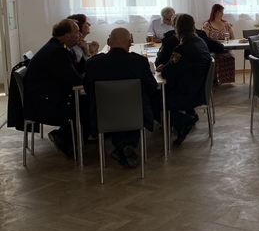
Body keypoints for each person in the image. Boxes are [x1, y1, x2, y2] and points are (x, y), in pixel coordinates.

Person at [83, 28, 158, 168]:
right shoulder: (139, 62)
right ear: (130, 43)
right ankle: (125, 146)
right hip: (135, 114)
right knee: (139, 104)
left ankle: (121, 147)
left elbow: (88, 90)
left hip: (103, 115)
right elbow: (152, 87)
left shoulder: (93, 63)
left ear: (108, 42)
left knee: (115, 109)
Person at [23, 19, 83, 158]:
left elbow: (75, 72)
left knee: (86, 101)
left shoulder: (57, 47)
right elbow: (75, 80)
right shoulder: (57, 52)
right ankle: (64, 137)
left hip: (45, 97)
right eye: (77, 32)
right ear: (67, 36)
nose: (79, 35)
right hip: (44, 104)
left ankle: (74, 137)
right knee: (87, 105)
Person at [157, 14, 211, 146]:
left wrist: (164, 68)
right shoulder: (200, 42)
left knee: (150, 100)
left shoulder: (182, 48)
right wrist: (169, 67)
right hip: (199, 90)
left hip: (185, 95)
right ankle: (181, 120)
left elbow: (167, 73)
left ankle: (181, 120)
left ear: (177, 28)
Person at [156, 14, 225, 67]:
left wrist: (164, 68)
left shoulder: (173, 43)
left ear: (175, 26)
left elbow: (159, 64)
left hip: (182, 77)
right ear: (193, 24)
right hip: (200, 77)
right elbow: (220, 47)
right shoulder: (201, 39)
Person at [202, 3, 236, 84]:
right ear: (215, 12)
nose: (222, 13)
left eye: (222, 11)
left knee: (230, 56)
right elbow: (205, 39)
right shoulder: (207, 24)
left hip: (225, 48)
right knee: (216, 57)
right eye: (220, 11)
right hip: (213, 48)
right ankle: (214, 78)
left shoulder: (226, 24)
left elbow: (232, 37)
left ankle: (226, 79)